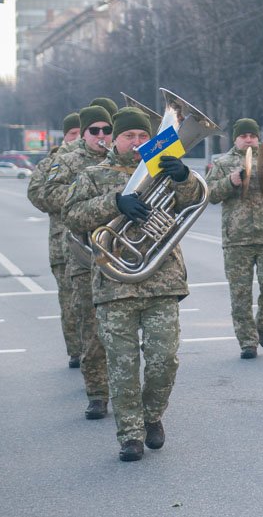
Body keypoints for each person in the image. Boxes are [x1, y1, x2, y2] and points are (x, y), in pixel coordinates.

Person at [63, 107, 204, 460]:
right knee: (122, 365)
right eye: (130, 136)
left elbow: (196, 200)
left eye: (144, 136)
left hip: (162, 280)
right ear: (116, 139)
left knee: (164, 360)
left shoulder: (164, 167)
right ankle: (130, 434)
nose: (138, 142)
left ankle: (152, 416)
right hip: (115, 283)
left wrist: (184, 177)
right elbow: (72, 215)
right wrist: (114, 202)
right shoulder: (94, 175)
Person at [42, 103, 113, 419]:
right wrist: (90, 196)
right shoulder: (65, 161)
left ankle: (126, 388)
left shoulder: (130, 158)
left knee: (122, 329)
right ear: (83, 134)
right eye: (94, 130)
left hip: (123, 254)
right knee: (91, 327)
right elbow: (46, 195)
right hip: (84, 255)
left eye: (107, 130)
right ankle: (97, 393)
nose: (101, 136)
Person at [204, 118, 263, 359]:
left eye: (252, 135)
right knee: (240, 294)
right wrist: (231, 181)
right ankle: (247, 342)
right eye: (243, 136)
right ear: (235, 139)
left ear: (258, 138)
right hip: (237, 238)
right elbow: (209, 195)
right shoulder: (222, 163)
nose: (248, 139)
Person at [26, 112, 82, 368]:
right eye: (73, 134)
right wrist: (80, 193)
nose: (78, 138)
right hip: (62, 242)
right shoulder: (53, 162)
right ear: (65, 135)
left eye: (83, 133)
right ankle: (76, 351)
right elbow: (39, 195)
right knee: (70, 301)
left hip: (97, 242)